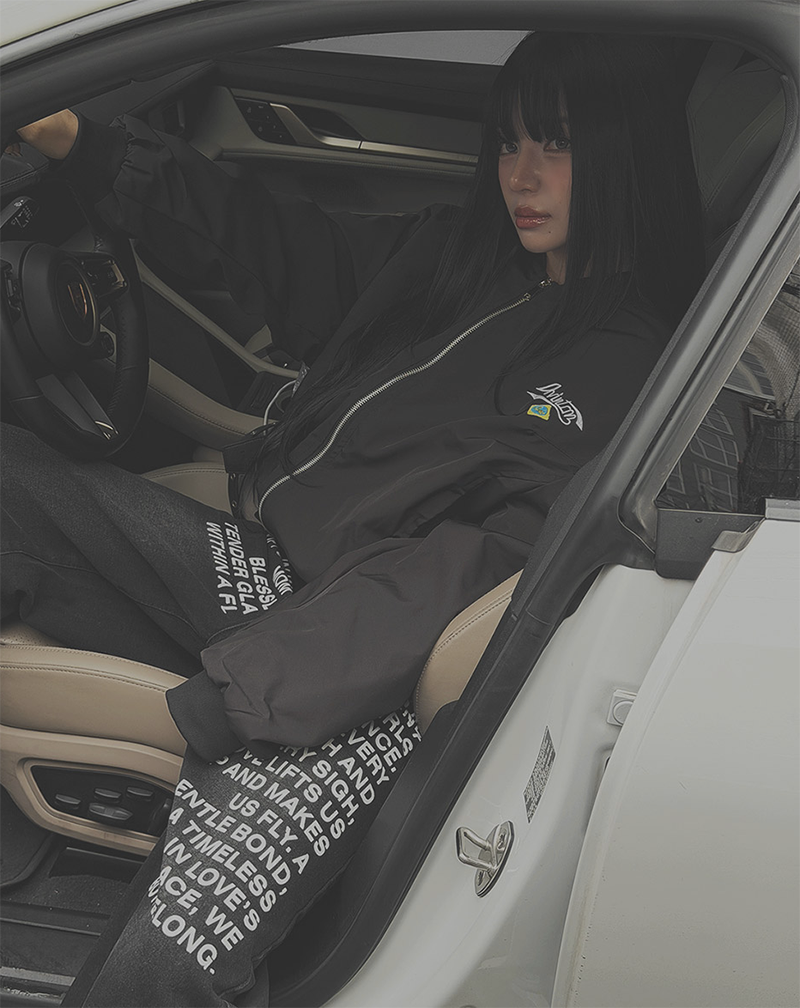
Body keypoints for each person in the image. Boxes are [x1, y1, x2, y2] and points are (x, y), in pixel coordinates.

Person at [2, 31, 704, 1007]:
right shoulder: (461, 259)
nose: (522, 174)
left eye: (557, 144)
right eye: (508, 142)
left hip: (362, 665)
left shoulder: (624, 370)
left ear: (626, 154)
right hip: (268, 565)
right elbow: (283, 247)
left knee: (176, 949)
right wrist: (83, 143)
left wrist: (255, 688)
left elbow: (470, 570)